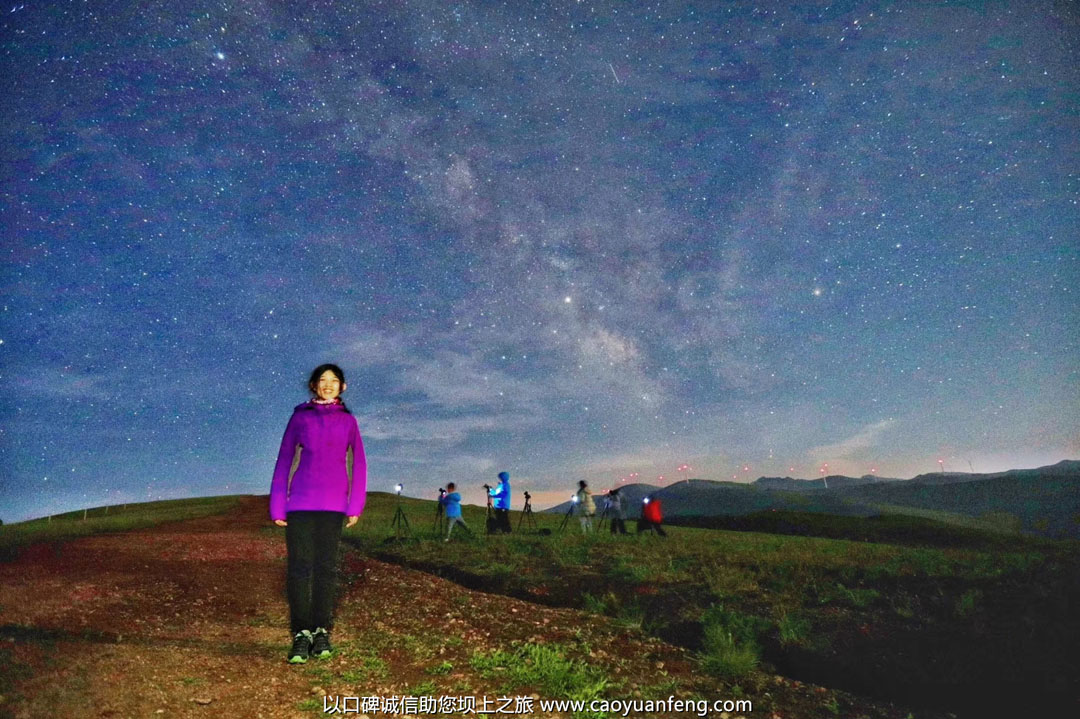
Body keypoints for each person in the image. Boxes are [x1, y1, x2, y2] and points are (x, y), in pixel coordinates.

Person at [270, 364, 367, 664]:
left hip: (334, 504)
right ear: (313, 385)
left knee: (326, 569)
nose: (328, 385)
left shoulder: (348, 421)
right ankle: (301, 633)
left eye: (334, 381)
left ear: (343, 387)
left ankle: (320, 629)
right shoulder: (300, 417)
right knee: (300, 567)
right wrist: (277, 504)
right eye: (323, 381)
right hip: (300, 502)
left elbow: (360, 463)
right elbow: (284, 458)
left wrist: (355, 504)